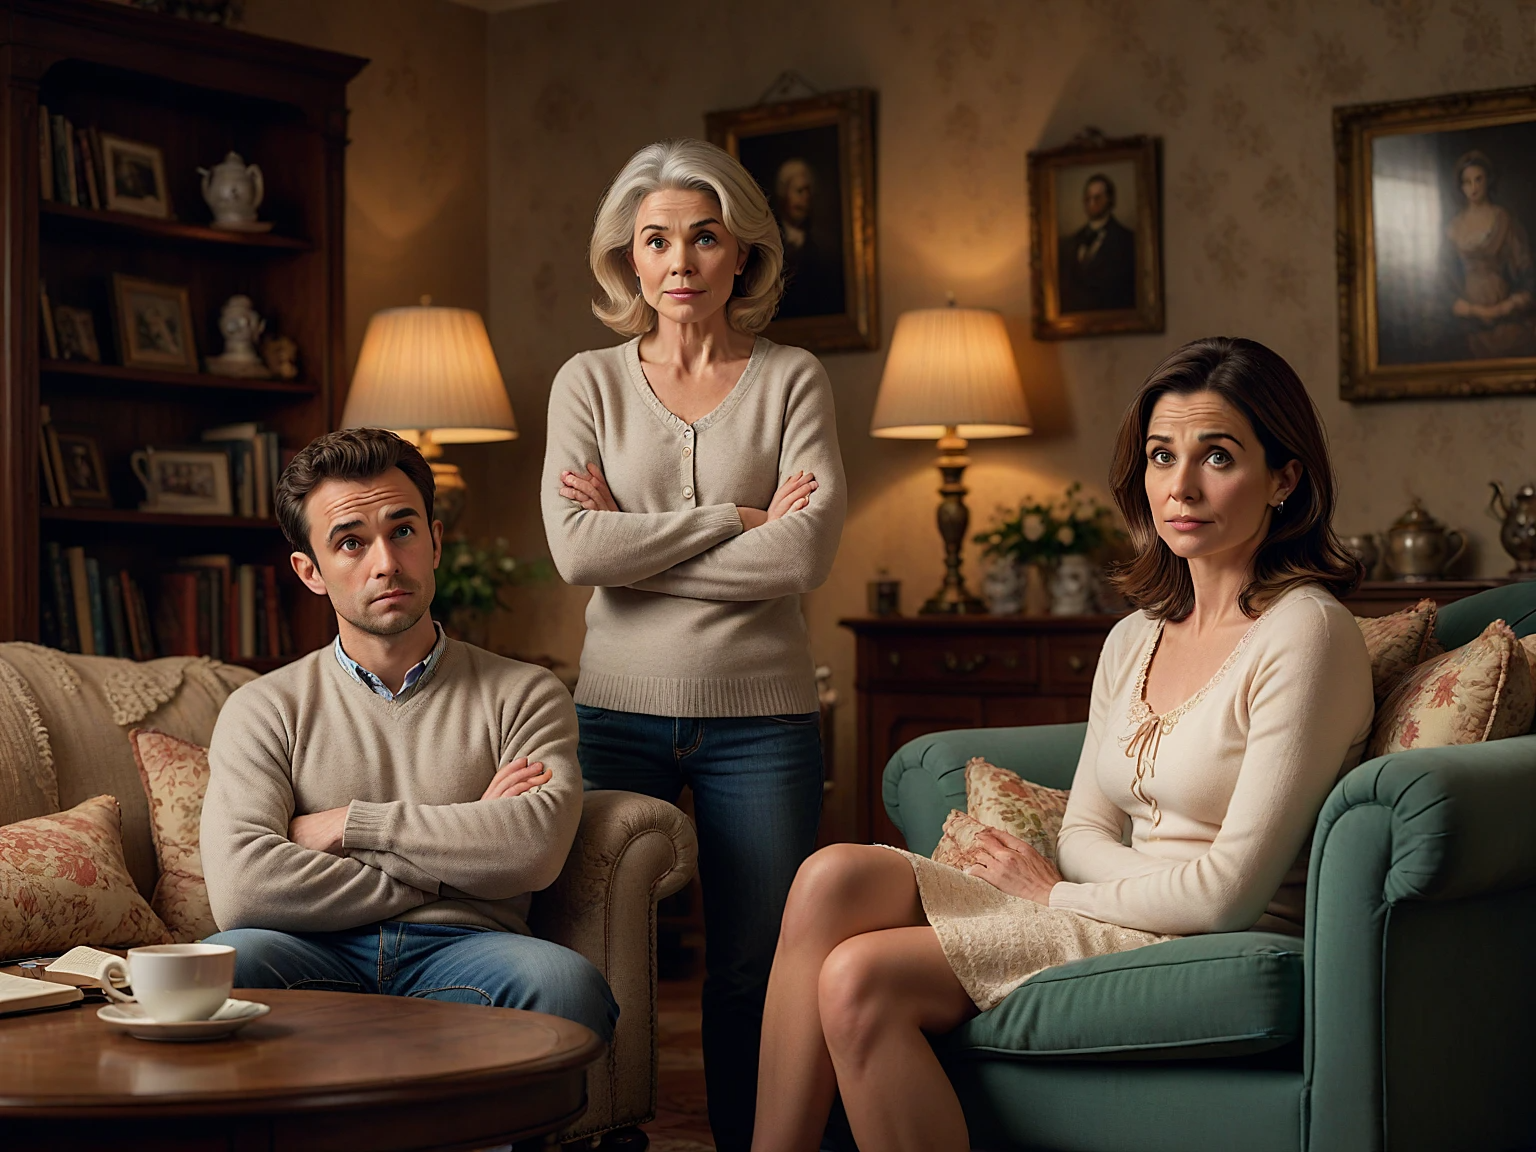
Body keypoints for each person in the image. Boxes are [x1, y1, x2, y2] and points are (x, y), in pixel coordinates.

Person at [753, 337, 1374, 1152]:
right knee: (831, 876)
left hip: (1207, 935)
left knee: (858, 977)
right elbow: (1082, 833)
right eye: (1161, 456)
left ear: (1285, 478)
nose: (1180, 487)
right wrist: (1086, 881)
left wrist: (1054, 897)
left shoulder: (1307, 633)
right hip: (1120, 909)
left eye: (1217, 456)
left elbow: (1225, 895)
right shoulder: (1134, 636)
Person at [542, 137, 846, 1151]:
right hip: (614, 709)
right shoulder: (585, 381)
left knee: (754, 966)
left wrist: (638, 541)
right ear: (628, 260)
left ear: (742, 255)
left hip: (762, 720)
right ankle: (595, 1137)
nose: (681, 260)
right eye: (658, 240)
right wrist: (734, 520)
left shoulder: (793, 376)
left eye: (704, 237)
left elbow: (801, 559)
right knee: (591, 947)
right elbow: (576, 550)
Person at [201, 428, 616, 1041]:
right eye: (351, 543)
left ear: (435, 540)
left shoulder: (526, 693)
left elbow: (532, 851)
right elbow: (242, 890)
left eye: (403, 531)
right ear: (310, 571)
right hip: (307, 949)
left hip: (469, 948)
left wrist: (351, 826)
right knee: (223, 966)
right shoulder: (262, 709)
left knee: (565, 986)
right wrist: (466, 843)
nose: (387, 563)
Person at [1446, 150, 1536, 360]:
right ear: (1461, 187)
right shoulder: (1453, 227)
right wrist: (1473, 311)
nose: (1474, 187)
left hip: (1504, 314)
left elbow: (1527, 271)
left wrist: (1505, 307)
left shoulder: (1503, 218)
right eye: (1467, 182)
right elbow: (1445, 282)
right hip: (1469, 319)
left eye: (1479, 179)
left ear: (1488, 180)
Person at [772, 156, 845, 318]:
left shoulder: (821, 246)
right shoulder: (768, 243)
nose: (804, 199)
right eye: (799, 191)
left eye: (808, 192)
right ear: (784, 194)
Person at [1058, 172, 1137, 313]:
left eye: (1098, 198)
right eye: (1088, 198)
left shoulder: (1127, 240)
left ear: (1110, 200)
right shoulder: (1069, 243)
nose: (1092, 203)